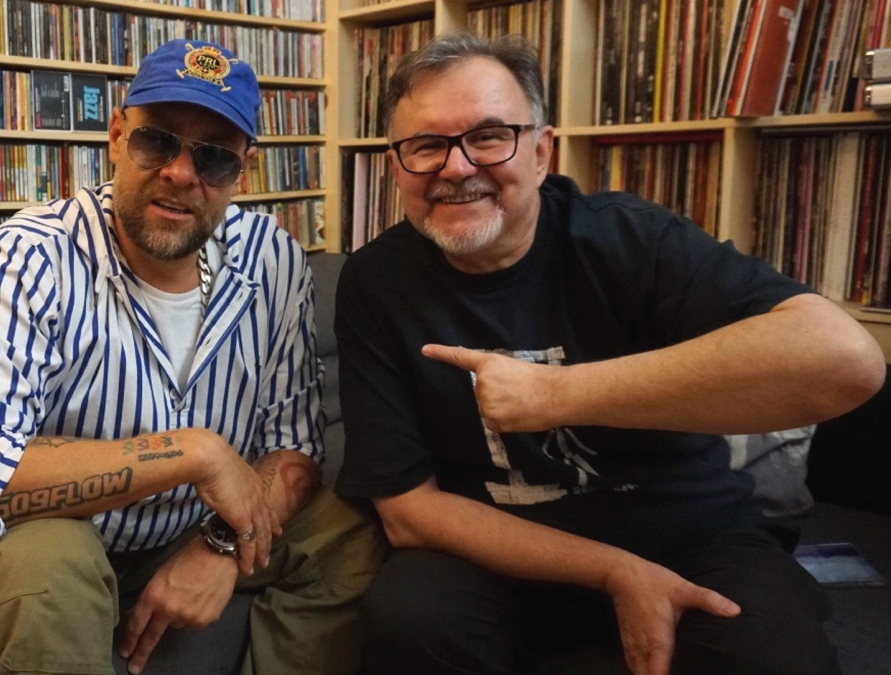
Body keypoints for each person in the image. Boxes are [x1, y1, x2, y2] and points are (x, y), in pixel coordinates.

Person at [334, 32, 886, 675]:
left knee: (770, 655)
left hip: (691, 538)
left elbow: (847, 360)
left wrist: (558, 393)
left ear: (541, 153)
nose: (456, 168)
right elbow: (409, 512)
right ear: (397, 166)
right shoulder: (376, 282)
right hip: (501, 553)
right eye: (427, 145)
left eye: (489, 137)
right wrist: (615, 571)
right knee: (408, 619)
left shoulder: (629, 238)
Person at [0, 39, 384, 675]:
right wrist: (195, 452)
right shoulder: (34, 253)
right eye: (157, 141)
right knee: (47, 572)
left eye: (214, 157)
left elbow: (294, 446)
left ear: (243, 171)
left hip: (185, 524)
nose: (181, 173)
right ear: (116, 136)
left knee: (349, 532)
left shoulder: (273, 259)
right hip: (31, 527)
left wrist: (219, 543)